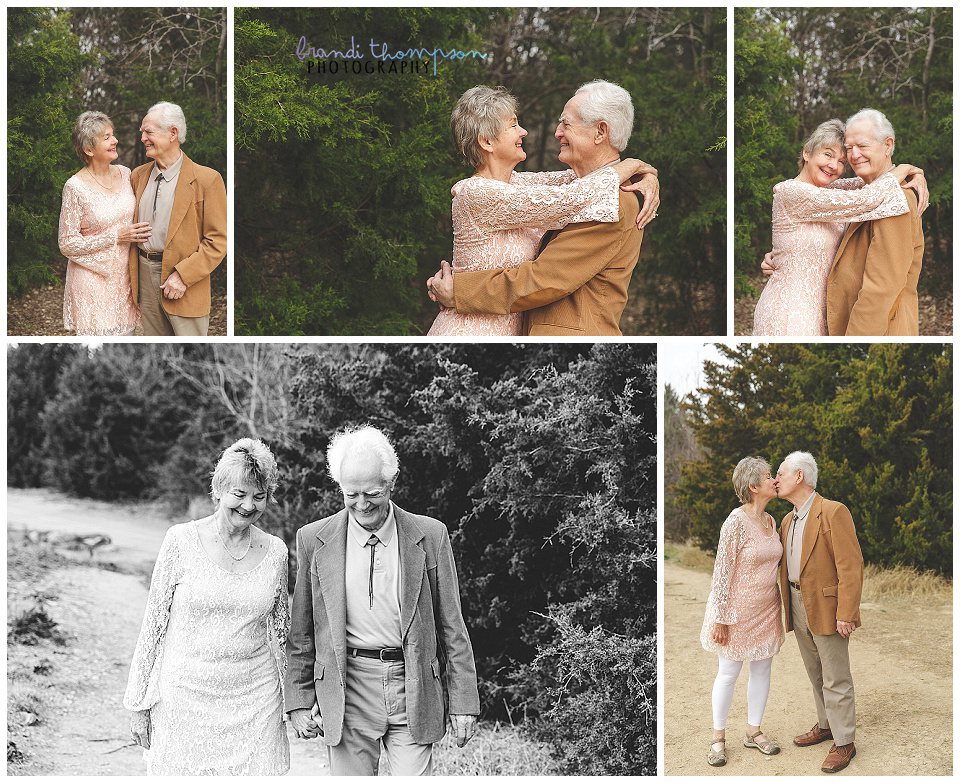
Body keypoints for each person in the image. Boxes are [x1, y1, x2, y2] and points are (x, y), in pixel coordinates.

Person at [285, 426, 480, 775]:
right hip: (348, 689)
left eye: (372, 492)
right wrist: (299, 700)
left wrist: (464, 701)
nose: (362, 504)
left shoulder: (430, 535)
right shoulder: (313, 539)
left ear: (391, 483)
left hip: (414, 686)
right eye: (351, 493)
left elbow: (453, 625)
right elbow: (301, 632)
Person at [427, 79, 660, 336]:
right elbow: (570, 193)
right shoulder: (483, 191)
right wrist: (634, 167)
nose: (557, 132)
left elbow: (545, 278)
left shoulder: (613, 200)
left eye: (566, 124)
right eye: (513, 125)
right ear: (487, 142)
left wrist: (640, 171)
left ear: (600, 132)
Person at [124, 439, 290, 775]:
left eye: (259, 497)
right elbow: (153, 625)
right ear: (218, 490)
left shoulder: (276, 553)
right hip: (184, 699)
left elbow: (284, 636)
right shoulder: (180, 541)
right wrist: (137, 703)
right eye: (239, 494)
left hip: (255, 702)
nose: (248, 505)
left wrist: (297, 702)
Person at [759, 109, 928, 336]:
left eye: (841, 159)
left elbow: (882, 288)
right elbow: (864, 197)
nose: (851, 157)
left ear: (888, 145)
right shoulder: (797, 192)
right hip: (793, 314)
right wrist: (904, 170)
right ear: (806, 153)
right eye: (847, 150)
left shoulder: (894, 198)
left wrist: (908, 173)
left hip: (878, 329)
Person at [775, 451, 863, 774]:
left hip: (828, 606)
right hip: (797, 604)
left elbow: (850, 566)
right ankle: (826, 725)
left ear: (799, 476)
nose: (775, 480)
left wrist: (847, 612)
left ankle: (845, 742)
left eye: (781, 474)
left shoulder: (832, 512)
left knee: (835, 675)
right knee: (815, 673)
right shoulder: (787, 520)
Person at [700, 457, 784, 767]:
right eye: (768, 476)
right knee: (728, 674)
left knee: (762, 670)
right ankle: (718, 738)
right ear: (753, 486)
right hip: (735, 613)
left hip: (766, 610)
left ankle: (753, 732)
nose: (774, 479)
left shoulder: (771, 521)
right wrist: (720, 617)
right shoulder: (735, 522)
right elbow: (722, 572)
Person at [128, 101, 226, 336]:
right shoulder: (137, 176)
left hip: (184, 285)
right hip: (143, 278)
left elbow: (218, 241)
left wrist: (183, 276)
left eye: (148, 131)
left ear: (172, 133)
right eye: (142, 132)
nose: (142, 138)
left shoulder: (207, 180)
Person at [58, 111, 146, 335]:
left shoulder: (127, 174)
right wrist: (115, 237)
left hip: (125, 279)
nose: (115, 140)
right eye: (106, 137)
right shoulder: (75, 187)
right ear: (89, 150)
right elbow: (67, 243)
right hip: (92, 281)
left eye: (113, 134)